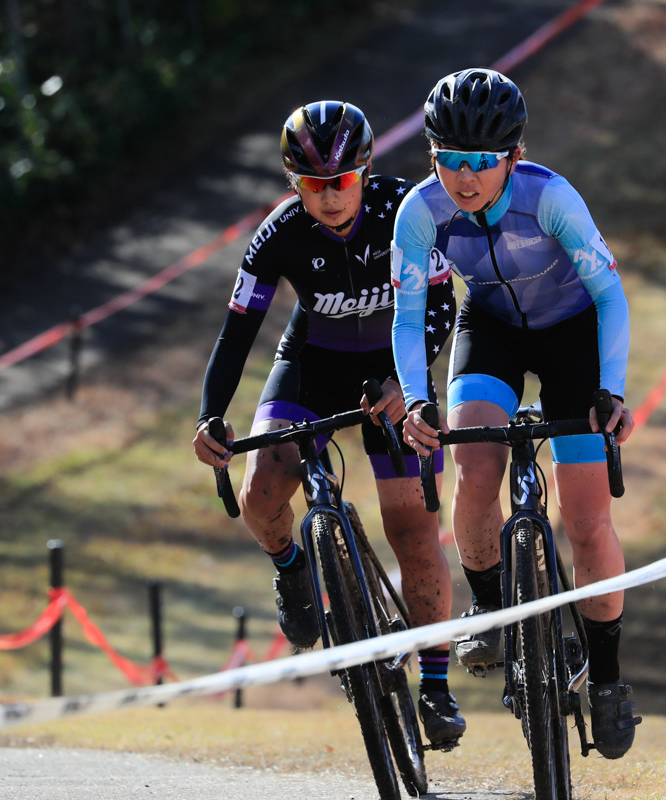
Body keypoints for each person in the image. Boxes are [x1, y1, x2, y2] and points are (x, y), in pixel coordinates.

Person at [192, 100, 464, 745]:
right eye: (313, 185)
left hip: (395, 367)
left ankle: (434, 684)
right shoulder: (279, 233)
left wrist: (410, 383)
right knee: (261, 491)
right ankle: (292, 567)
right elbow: (236, 334)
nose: (330, 197)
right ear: (294, 185)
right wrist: (211, 415)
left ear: (364, 172)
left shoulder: (407, 209)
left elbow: (443, 305)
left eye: (341, 181)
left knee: (412, 531)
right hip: (313, 364)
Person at [391, 69, 642, 759]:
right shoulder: (418, 213)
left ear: (513, 155)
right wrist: (418, 400)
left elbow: (611, 296)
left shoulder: (552, 198)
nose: (465, 178)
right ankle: (494, 605)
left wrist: (612, 391)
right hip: (492, 326)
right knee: (472, 466)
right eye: (449, 160)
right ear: (432, 156)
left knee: (587, 519)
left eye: (482, 162)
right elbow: (409, 319)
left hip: (572, 331)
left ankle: (610, 678)